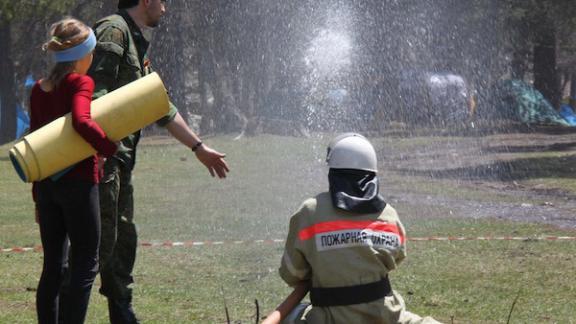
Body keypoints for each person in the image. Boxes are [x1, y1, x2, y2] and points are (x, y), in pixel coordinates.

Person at [81, 0, 230, 322]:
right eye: (163, 0)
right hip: (103, 160)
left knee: (121, 238)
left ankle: (121, 312)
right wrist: (104, 147)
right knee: (99, 243)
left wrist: (198, 147)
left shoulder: (133, 39)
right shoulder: (113, 31)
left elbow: (158, 105)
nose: (167, 7)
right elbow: (92, 94)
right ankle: (66, 309)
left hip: (118, 162)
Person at [266, 133, 441, 324]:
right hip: (386, 317)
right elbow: (396, 258)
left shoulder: (310, 212)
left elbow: (292, 273)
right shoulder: (389, 216)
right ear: (373, 175)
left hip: (329, 319)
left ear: (333, 173)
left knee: (294, 315)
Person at [30, 18, 117, 324]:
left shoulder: (39, 89)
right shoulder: (81, 82)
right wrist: (109, 147)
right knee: (85, 261)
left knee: (53, 266)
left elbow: (34, 143)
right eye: (91, 52)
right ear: (83, 54)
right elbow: (81, 121)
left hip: (47, 187)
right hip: (78, 184)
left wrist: (37, 196)